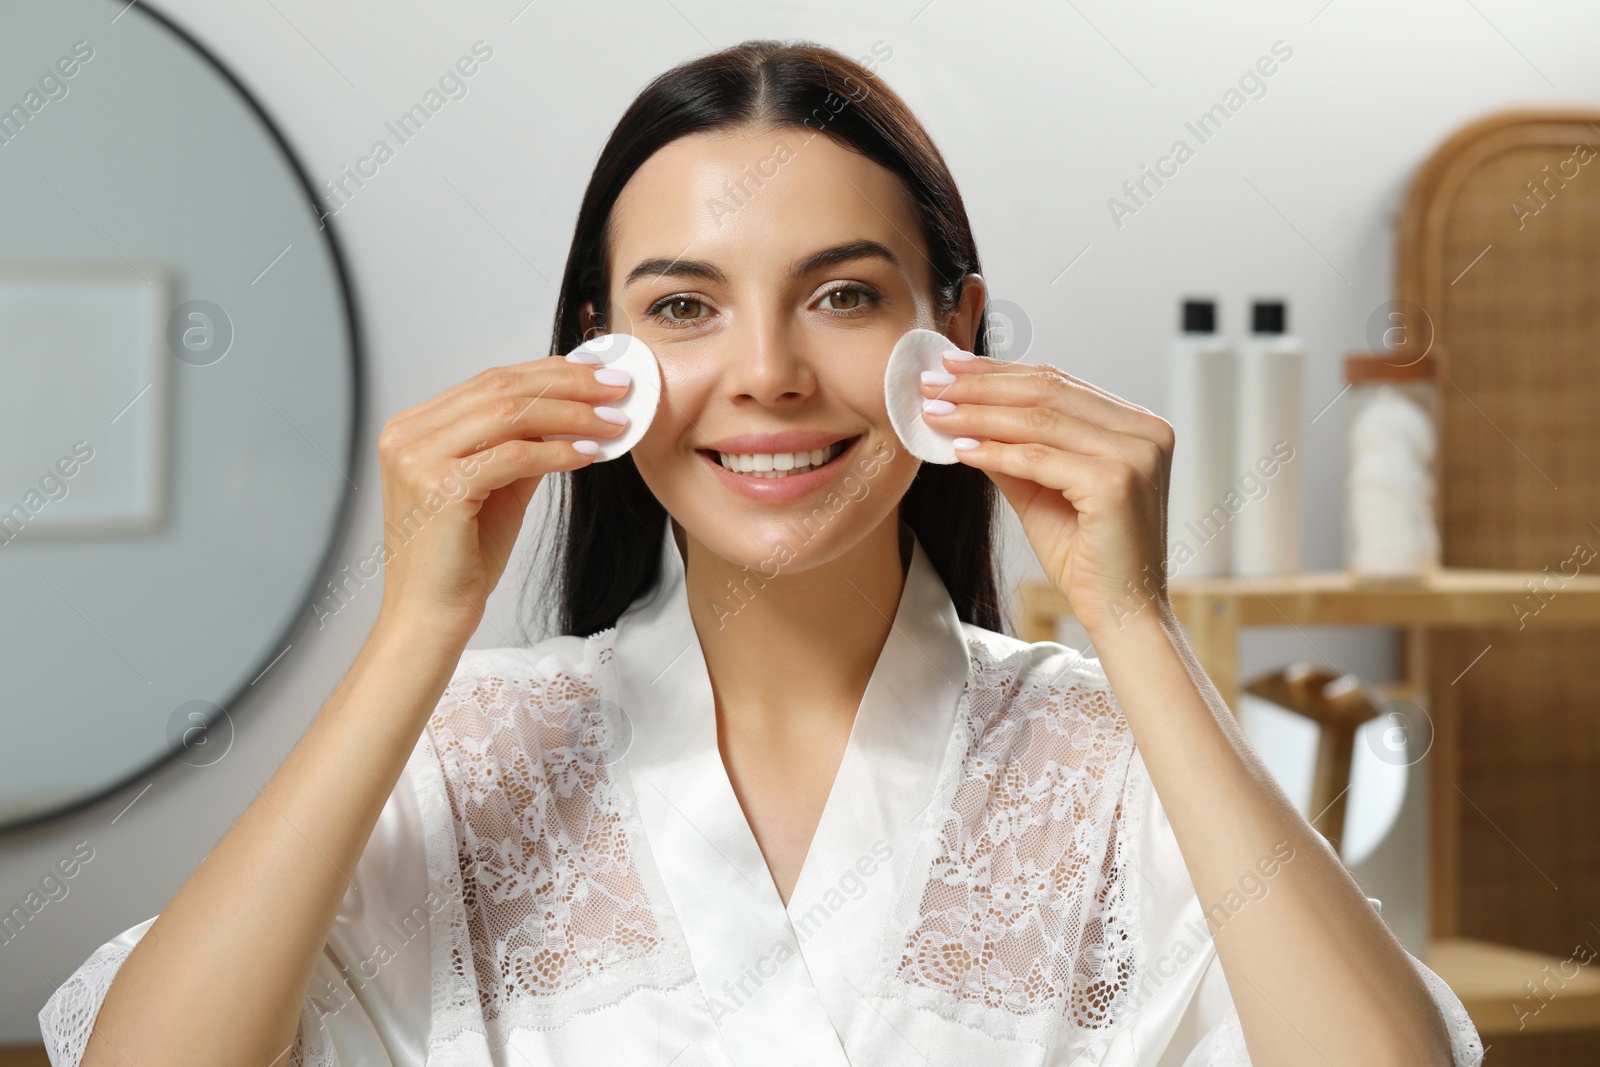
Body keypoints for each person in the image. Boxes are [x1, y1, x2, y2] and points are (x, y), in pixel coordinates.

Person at [41, 39, 1483, 1067]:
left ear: (956, 328)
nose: (770, 374)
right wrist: (417, 630)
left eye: (844, 294)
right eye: (683, 309)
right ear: (594, 353)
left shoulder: (1104, 752)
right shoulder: (475, 742)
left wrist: (1137, 624)